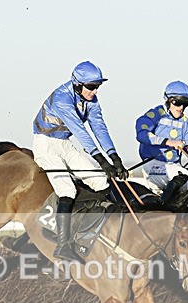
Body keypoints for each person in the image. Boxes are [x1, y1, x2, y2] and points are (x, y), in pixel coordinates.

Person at [33, 61, 128, 263]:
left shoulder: (91, 100)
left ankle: (95, 229)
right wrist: (101, 159)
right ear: (77, 84)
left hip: (64, 144)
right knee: (67, 190)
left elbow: (99, 127)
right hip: (46, 144)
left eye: (97, 86)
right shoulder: (62, 98)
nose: (95, 91)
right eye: (91, 87)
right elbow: (80, 131)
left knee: (101, 181)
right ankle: (63, 245)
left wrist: (114, 157)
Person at [135, 81, 188, 210]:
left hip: (174, 168)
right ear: (167, 100)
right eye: (177, 102)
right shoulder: (155, 114)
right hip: (152, 165)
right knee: (181, 175)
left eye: (185, 103)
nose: (181, 107)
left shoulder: (185, 122)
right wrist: (169, 142)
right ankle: (160, 207)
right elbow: (141, 134)